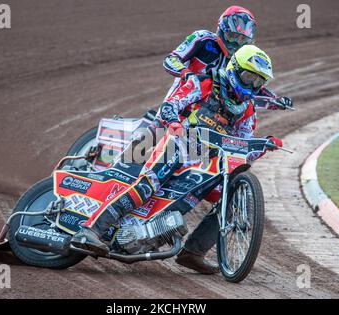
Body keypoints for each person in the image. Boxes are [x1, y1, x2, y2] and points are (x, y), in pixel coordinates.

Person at [71, 46, 293, 273]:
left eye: (258, 81)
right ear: (234, 69)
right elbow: (171, 105)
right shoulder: (205, 83)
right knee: (147, 187)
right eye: (249, 77)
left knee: (229, 201)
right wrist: (173, 122)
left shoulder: (247, 111)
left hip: (206, 162)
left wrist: (264, 145)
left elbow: (241, 147)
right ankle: (90, 230)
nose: (252, 85)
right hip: (179, 143)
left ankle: (193, 252)